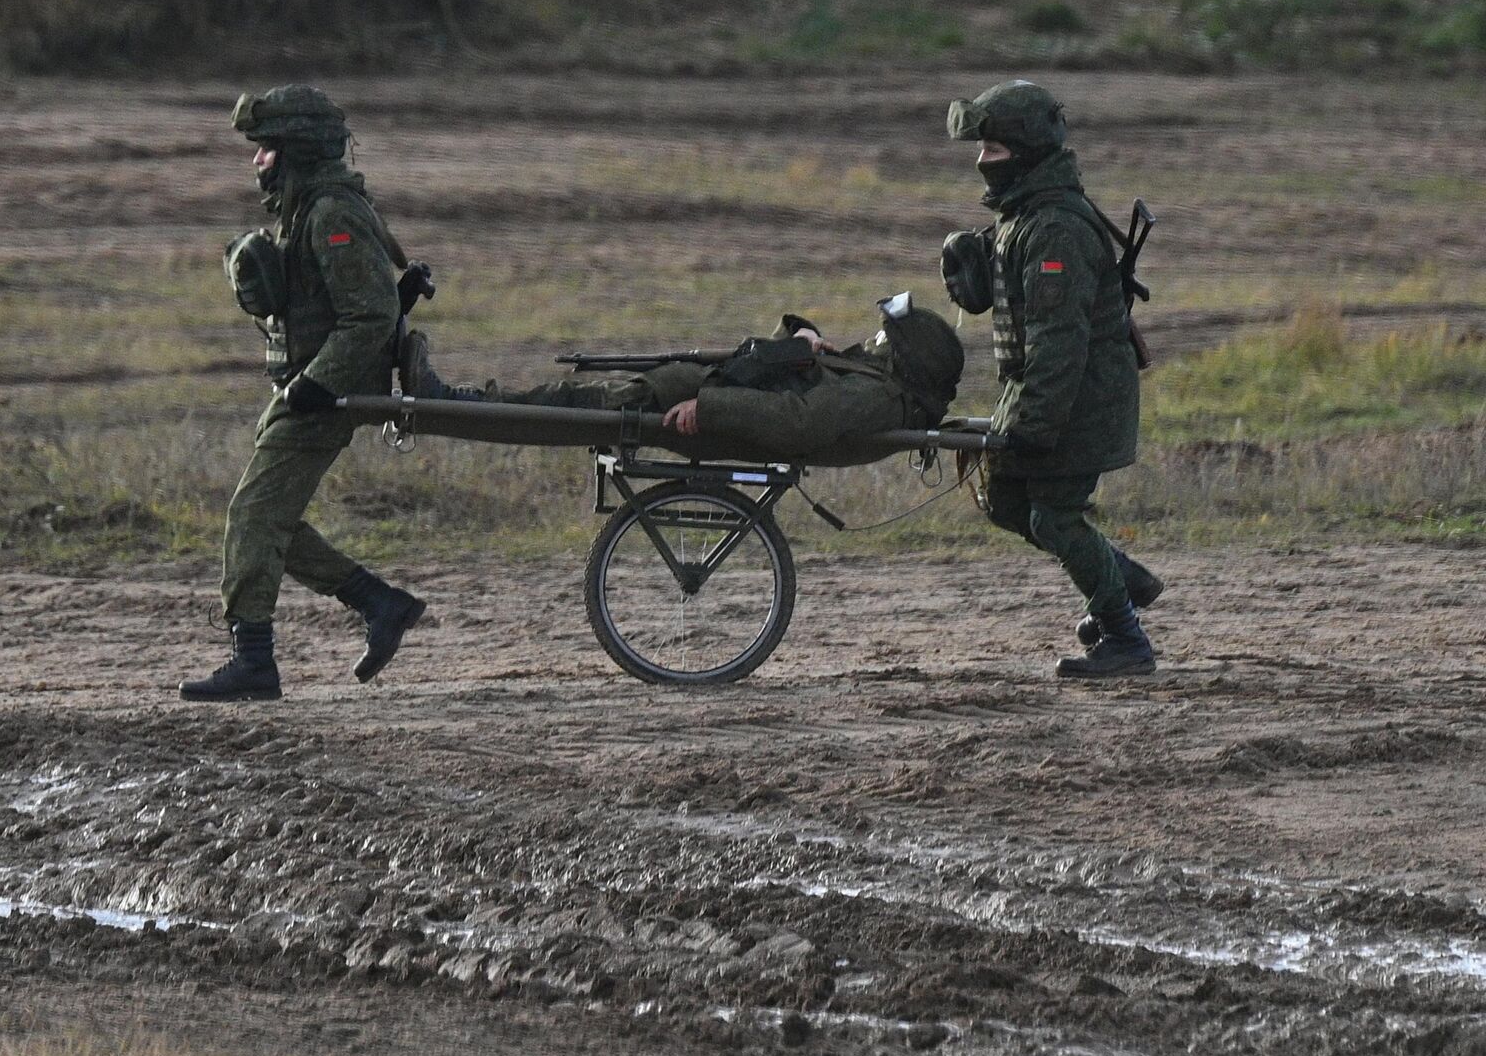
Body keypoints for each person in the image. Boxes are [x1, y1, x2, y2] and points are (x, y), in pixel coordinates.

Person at [181, 85, 428, 703]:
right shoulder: (310, 207)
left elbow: (369, 317)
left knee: (253, 516)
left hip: (327, 392)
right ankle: (380, 604)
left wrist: (318, 384)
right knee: (269, 520)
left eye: (265, 151)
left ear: (294, 152)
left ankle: (254, 662)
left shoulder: (330, 214)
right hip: (309, 386)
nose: (256, 162)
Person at [941, 79, 1164, 678]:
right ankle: (1120, 580)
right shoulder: (1027, 216)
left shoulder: (1054, 229)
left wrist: (1034, 424)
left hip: (1080, 399)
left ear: (1028, 151)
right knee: (1007, 501)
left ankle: (1125, 639)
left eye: (993, 150)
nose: (981, 162)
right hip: (1047, 393)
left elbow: (1060, 344)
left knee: (1054, 516)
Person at [399, 293, 966, 455]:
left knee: (569, 408)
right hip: (704, 388)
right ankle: (445, 401)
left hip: (705, 408)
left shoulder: (880, 398)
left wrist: (710, 408)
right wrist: (805, 341)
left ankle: (443, 404)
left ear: (904, 360)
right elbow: (799, 382)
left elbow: (802, 421)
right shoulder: (873, 377)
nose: (874, 341)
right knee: (575, 396)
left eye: (885, 340)